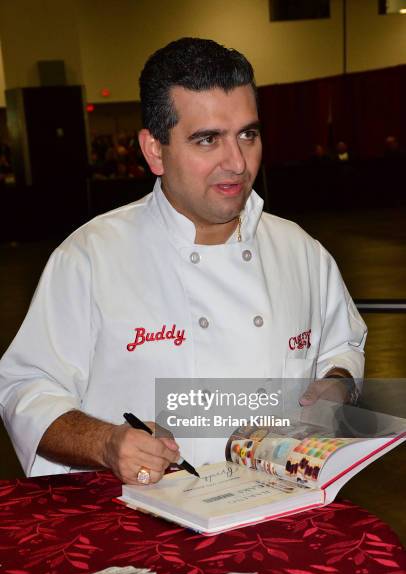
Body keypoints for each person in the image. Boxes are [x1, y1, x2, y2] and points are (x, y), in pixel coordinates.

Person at [0, 38, 367, 485]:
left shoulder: (300, 250)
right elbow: (25, 389)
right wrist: (106, 442)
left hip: (280, 509)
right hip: (142, 526)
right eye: (207, 139)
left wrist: (338, 384)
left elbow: (344, 345)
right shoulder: (92, 257)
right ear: (154, 150)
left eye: (248, 134)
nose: (236, 162)